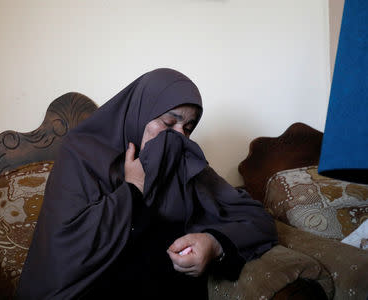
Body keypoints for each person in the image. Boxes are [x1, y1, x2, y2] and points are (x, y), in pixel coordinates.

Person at [17, 68, 278, 299]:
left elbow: (256, 219)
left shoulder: (183, 160)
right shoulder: (81, 153)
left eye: (187, 128)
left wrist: (214, 244)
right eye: (168, 122)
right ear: (141, 112)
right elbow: (65, 248)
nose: (178, 136)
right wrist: (132, 189)